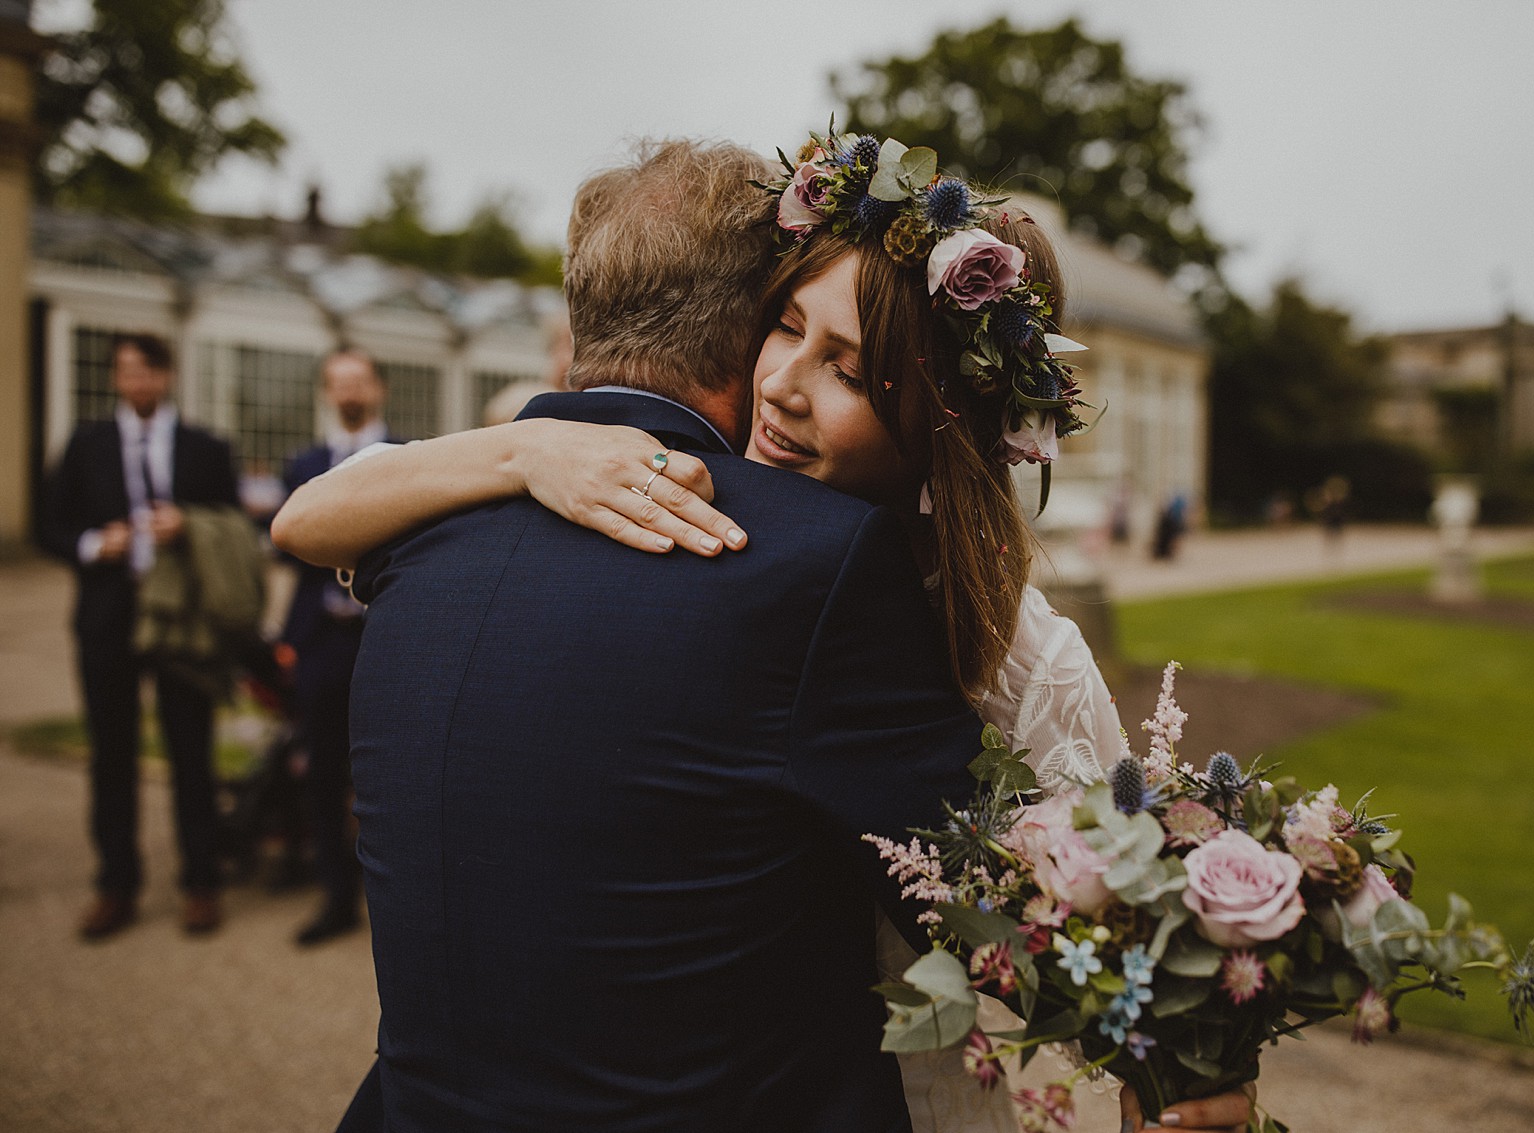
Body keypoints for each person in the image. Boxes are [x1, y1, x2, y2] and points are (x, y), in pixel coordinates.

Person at [275, 136, 1253, 1133]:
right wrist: (528, 443)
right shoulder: (683, 522)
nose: (783, 382)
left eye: (846, 367)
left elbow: (1061, 911)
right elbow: (308, 514)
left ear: (936, 422)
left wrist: (1168, 1051)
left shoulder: (993, 641)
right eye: (782, 326)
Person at [41, 332, 241, 938]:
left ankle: (201, 882)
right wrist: (95, 544)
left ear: (167, 375)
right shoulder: (86, 444)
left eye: (149, 371)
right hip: (108, 616)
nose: (139, 383)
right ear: (115, 379)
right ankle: (116, 884)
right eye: (128, 372)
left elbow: (235, 524)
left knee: (190, 750)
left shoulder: (206, 447)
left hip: (182, 621)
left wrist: (190, 526)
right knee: (111, 754)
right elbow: (50, 523)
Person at [278, 349, 403, 946]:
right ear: (328, 392)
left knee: (392, 775)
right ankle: (334, 896)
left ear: (376, 387)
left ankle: (398, 901)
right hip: (321, 644)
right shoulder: (302, 465)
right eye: (339, 383)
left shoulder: (412, 459)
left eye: (359, 381)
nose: (350, 392)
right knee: (322, 771)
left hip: (384, 640)